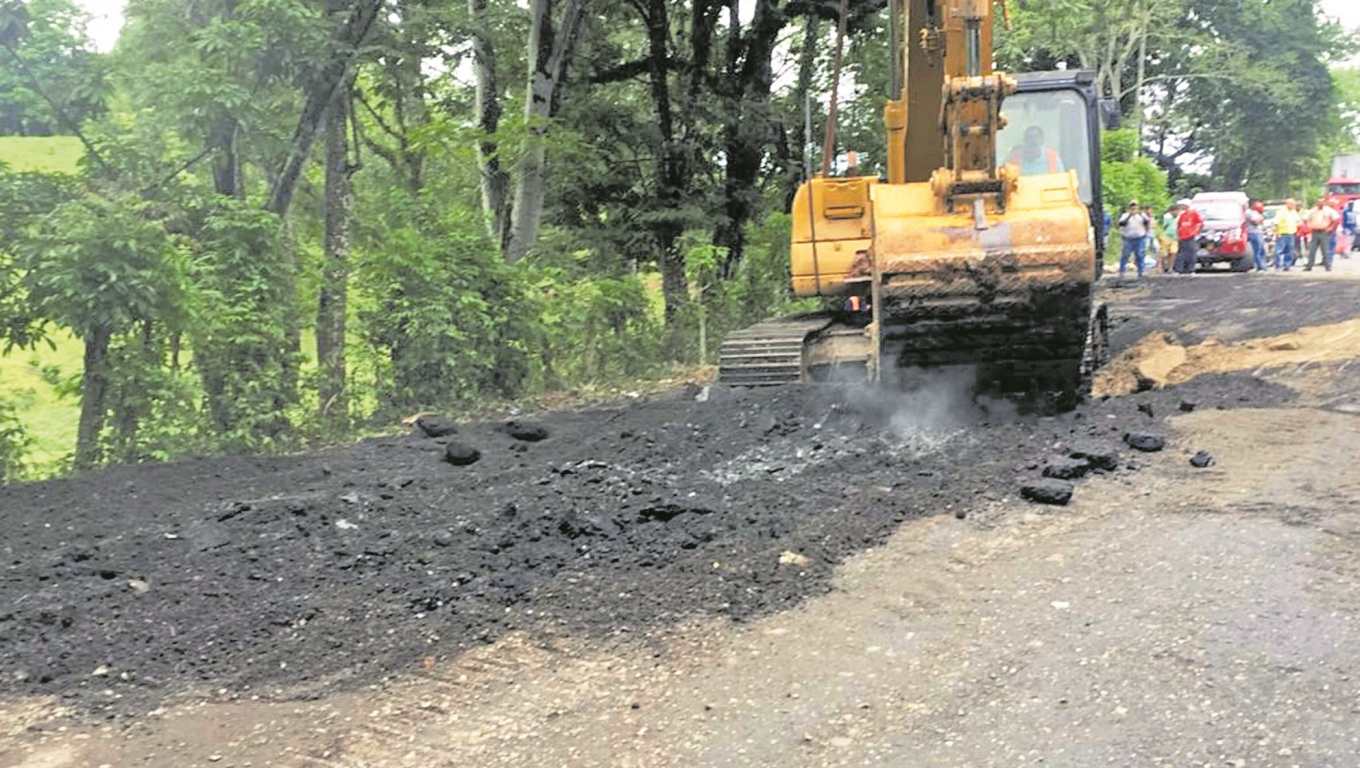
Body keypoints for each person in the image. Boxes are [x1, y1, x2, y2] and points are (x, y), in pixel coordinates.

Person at [1117, 200, 1153, 278]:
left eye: (1135, 206)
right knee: (1125, 255)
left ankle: (1141, 271)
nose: (1133, 208)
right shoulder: (1125, 215)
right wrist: (1130, 215)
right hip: (1128, 238)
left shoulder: (1141, 215)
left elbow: (1147, 222)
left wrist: (1141, 215)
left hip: (1140, 238)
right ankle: (1122, 271)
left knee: (1140, 255)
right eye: (1132, 206)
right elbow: (1121, 224)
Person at [1304, 197, 1340, 272]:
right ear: (1316, 203)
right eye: (1318, 202)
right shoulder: (1313, 210)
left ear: (1324, 203)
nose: (1320, 204)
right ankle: (1309, 266)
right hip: (1314, 232)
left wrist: (1331, 228)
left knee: (1325, 250)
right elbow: (1305, 218)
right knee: (1312, 250)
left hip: (1324, 232)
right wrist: (1309, 225)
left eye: (1322, 202)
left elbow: (1336, 219)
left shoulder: (1329, 210)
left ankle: (1327, 266)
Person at [1174, 199, 1204, 275]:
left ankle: (1191, 270)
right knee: (1181, 254)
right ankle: (1179, 269)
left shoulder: (1194, 213)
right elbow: (1179, 225)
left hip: (1190, 236)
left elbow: (1200, 223)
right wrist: (1178, 234)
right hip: (1182, 237)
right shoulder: (1182, 215)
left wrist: (1195, 232)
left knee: (1191, 253)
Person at [1274, 198, 1300, 270]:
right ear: (1287, 204)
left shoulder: (1293, 212)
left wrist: (1297, 231)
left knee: (1289, 251)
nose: (1293, 205)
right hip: (1282, 234)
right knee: (1279, 250)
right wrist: (1277, 232)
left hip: (1291, 233)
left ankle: (1287, 266)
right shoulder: (1281, 212)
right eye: (1292, 204)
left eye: (1294, 204)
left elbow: (1297, 221)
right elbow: (1276, 223)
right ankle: (1278, 266)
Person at [1246, 200, 1268, 272]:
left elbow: (1262, 221)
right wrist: (1260, 219)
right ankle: (1259, 266)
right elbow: (1255, 222)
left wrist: (1260, 218)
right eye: (1256, 204)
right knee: (1257, 250)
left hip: (1259, 232)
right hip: (1253, 233)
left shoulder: (1256, 212)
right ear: (1252, 205)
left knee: (1262, 250)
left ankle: (1263, 266)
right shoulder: (1248, 212)